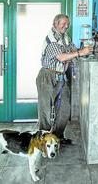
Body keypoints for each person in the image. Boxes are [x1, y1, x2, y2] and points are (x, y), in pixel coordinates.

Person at [36, 14, 92, 144]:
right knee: (46, 110)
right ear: (55, 23)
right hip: (47, 76)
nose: (66, 26)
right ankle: (43, 140)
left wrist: (85, 50)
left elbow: (73, 50)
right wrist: (80, 53)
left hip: (61, 77)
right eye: (64, 24)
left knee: (65, 109)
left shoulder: (65, 37)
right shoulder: (51, 38)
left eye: (68, 24)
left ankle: (57, 137)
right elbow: (61, 57)